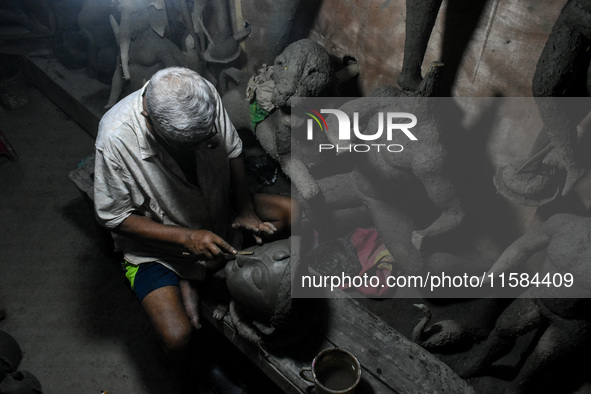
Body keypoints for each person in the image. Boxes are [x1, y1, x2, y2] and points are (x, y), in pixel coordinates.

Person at [93, 67, 294, 387]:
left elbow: (233, 151)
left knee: (292, 212)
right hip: (159, 246)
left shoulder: (199, 95)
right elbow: (113, 217)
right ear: (150, 122)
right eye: (189, 145)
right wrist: (186, 239)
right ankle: (186, 283)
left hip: (218, 209)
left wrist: (243, 208)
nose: (201, 147)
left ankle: (197, 276)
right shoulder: (116, 137)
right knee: (177, 337)